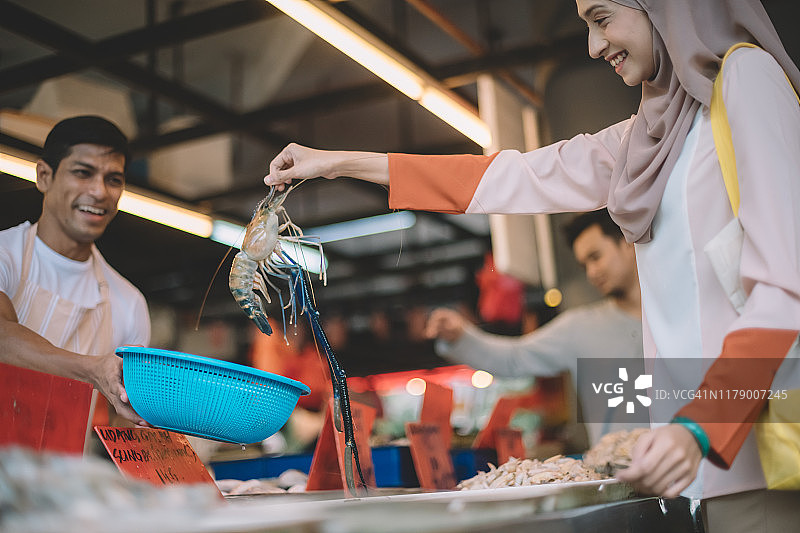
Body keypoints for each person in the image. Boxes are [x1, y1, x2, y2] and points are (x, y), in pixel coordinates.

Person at [264, 0, 800, 527]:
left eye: (602, 18)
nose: (593, 46)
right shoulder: (646, 136)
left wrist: (701, 426)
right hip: (690, 473)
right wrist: (340, 163)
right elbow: (510, 175)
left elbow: (785, 287)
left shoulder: (746, 80)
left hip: (752, 463)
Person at [425, 210, 643, 447]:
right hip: (618, 469)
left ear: (627, 243)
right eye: (584, 265)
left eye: (596, 257)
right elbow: (514, 358)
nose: (591, 273)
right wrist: (460, 336)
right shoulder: (581, 328)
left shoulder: (673, 319)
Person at [0, 115, 151, 454]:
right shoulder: (5, 256)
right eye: (83, 173)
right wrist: (92, 369)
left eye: (113, 179)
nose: (99, 192)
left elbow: (129, 423)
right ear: (44, 176)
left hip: (63, 481)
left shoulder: (128, 303)